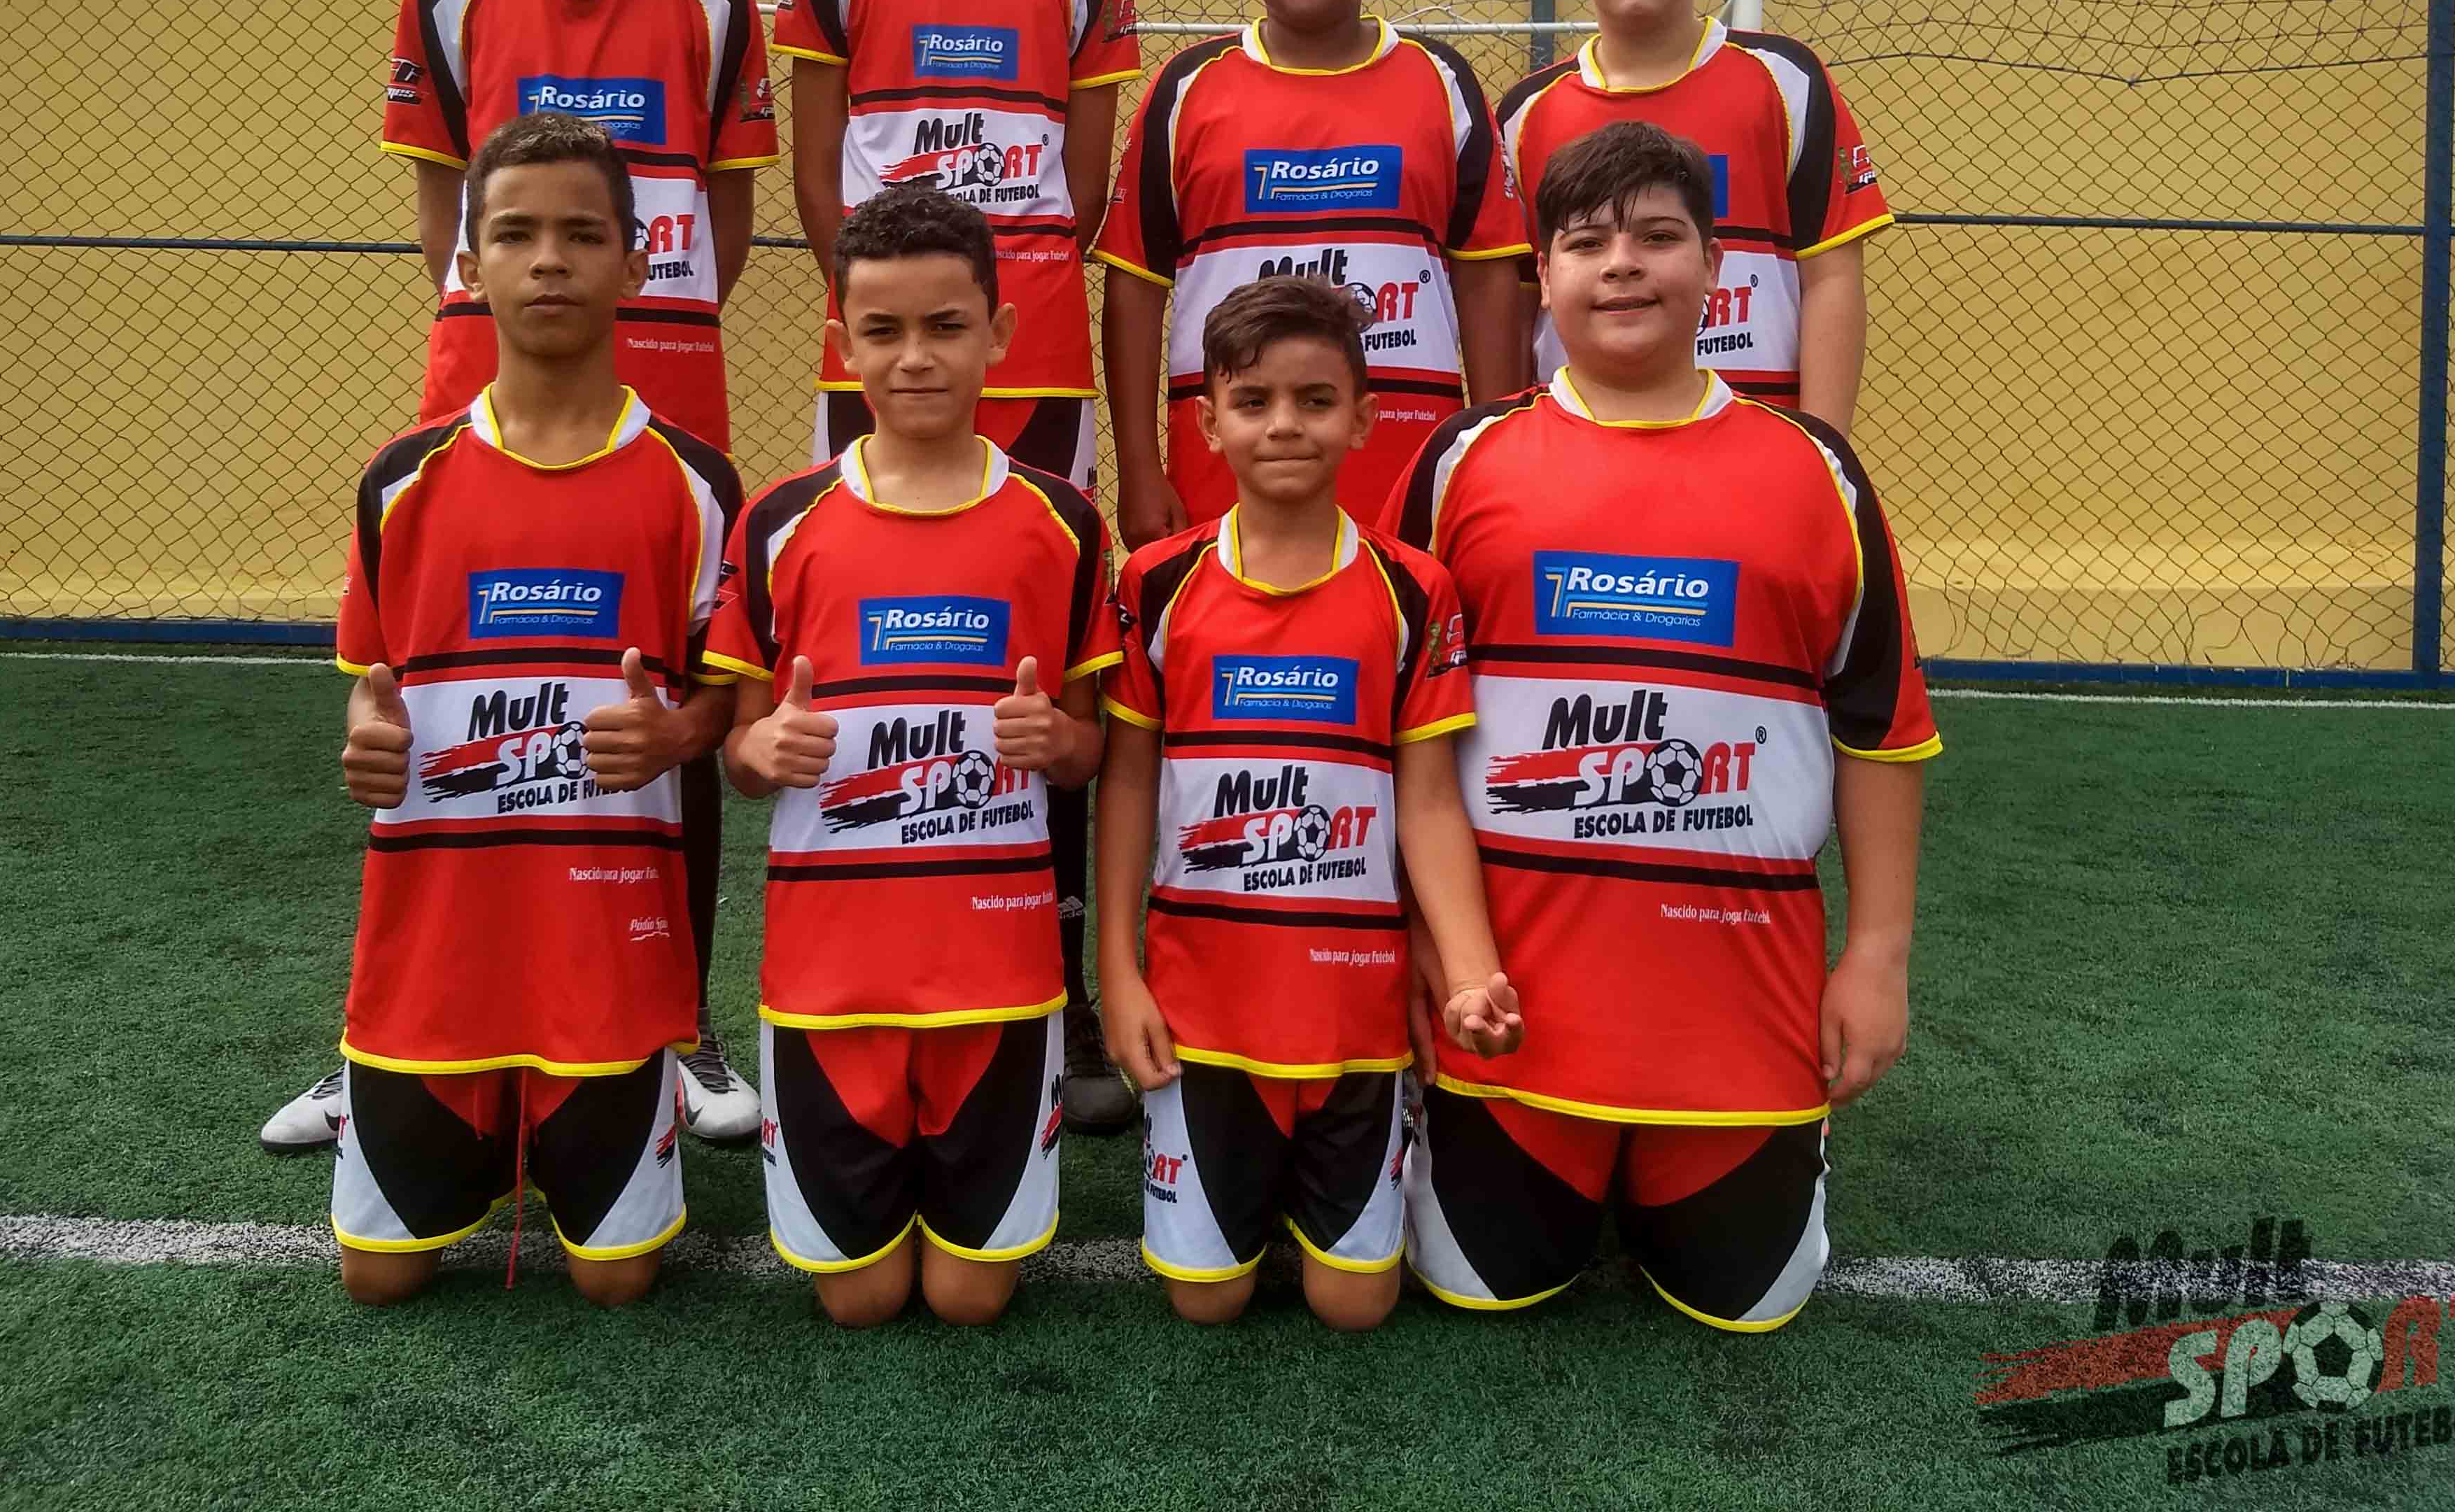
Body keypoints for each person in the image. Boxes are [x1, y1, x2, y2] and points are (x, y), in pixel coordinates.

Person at [265, 0, 777, 1154]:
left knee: (669, 711)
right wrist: (509, 334)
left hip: (662, 396)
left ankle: (674, 1027)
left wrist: (638, 326)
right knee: (437, 715)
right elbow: (447, 216)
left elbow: (726, 215)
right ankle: (382, 1036)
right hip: (480, 406)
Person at [1381, 120, 1938, 1328]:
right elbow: (1393, 740)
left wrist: (1877, 957)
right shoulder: (1460, 462)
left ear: (1717, 267)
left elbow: (1882, 731)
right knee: (1483, 1289)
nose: (1622, 263)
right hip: (1511, 1019)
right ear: (1542, 273)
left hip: (1739, 1015)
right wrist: (1420, 945)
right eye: (1586, 241)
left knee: (1749, 1301)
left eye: (1657, 236)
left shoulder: (1818, 471)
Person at [771, 0, 1142, 1133]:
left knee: (1042, 676)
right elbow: (817, 178)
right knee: (871, 660)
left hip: (1034, 363)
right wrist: (895, 320)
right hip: (878, 370)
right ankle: (867, 960)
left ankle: (1061, 991)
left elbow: (1087, 187)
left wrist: (1000, 309)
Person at [328, 112, 740, 1306]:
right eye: (515, 234)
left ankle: (627, 1098)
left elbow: (727, 701)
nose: (549, 259)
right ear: (470, 265)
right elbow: (372, 682)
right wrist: (363, 740)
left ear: (638, 261)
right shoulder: (401, 480)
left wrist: (679, 732)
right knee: (376, 1280)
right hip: (433, 953)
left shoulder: (698, 484)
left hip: (604, 955)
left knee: (619, 1283)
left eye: (581, 234)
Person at [705, 189, 1118, 1327]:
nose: (915, 356)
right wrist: (762, 747)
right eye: (883, 331)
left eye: (946, 326)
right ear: (843, 342)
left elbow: (1088, 749)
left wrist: (1058, 741)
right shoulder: (780, 521)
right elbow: (738, 752)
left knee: (972, 1297)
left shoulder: (1063, 523)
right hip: (829, 981)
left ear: (1000, 334)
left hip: (998, 977)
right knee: (861, 1299)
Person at [1095, 276, 1521, 1329]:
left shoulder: (1413, 589)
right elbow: (1129, 780)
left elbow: (1429, 801)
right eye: (1254, 401)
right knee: (1207, 1302)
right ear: (1209, 422)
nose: (1284, 424)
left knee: (1354, 1305)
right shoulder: (1157, 582)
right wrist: (1118, 970)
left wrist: (1471, 973)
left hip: (1353, 1013)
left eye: (1316, 399)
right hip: (1203, 1012)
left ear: (1364, 417)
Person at [1097, 0, 1528, 546]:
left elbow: (1487, 280)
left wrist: (1491, 451)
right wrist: (1140, 468)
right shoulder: (1187, 88)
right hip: (1222, 480)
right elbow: (1136, 284)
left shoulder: (1442, 81)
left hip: (1405, 470)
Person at [1502, 0, 1888, 433]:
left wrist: (1824, 449)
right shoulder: (1526, 114)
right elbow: (1520, 304)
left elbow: (1831, 278)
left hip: (1755, 441)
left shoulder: (1786, 82)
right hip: (1578, 451)